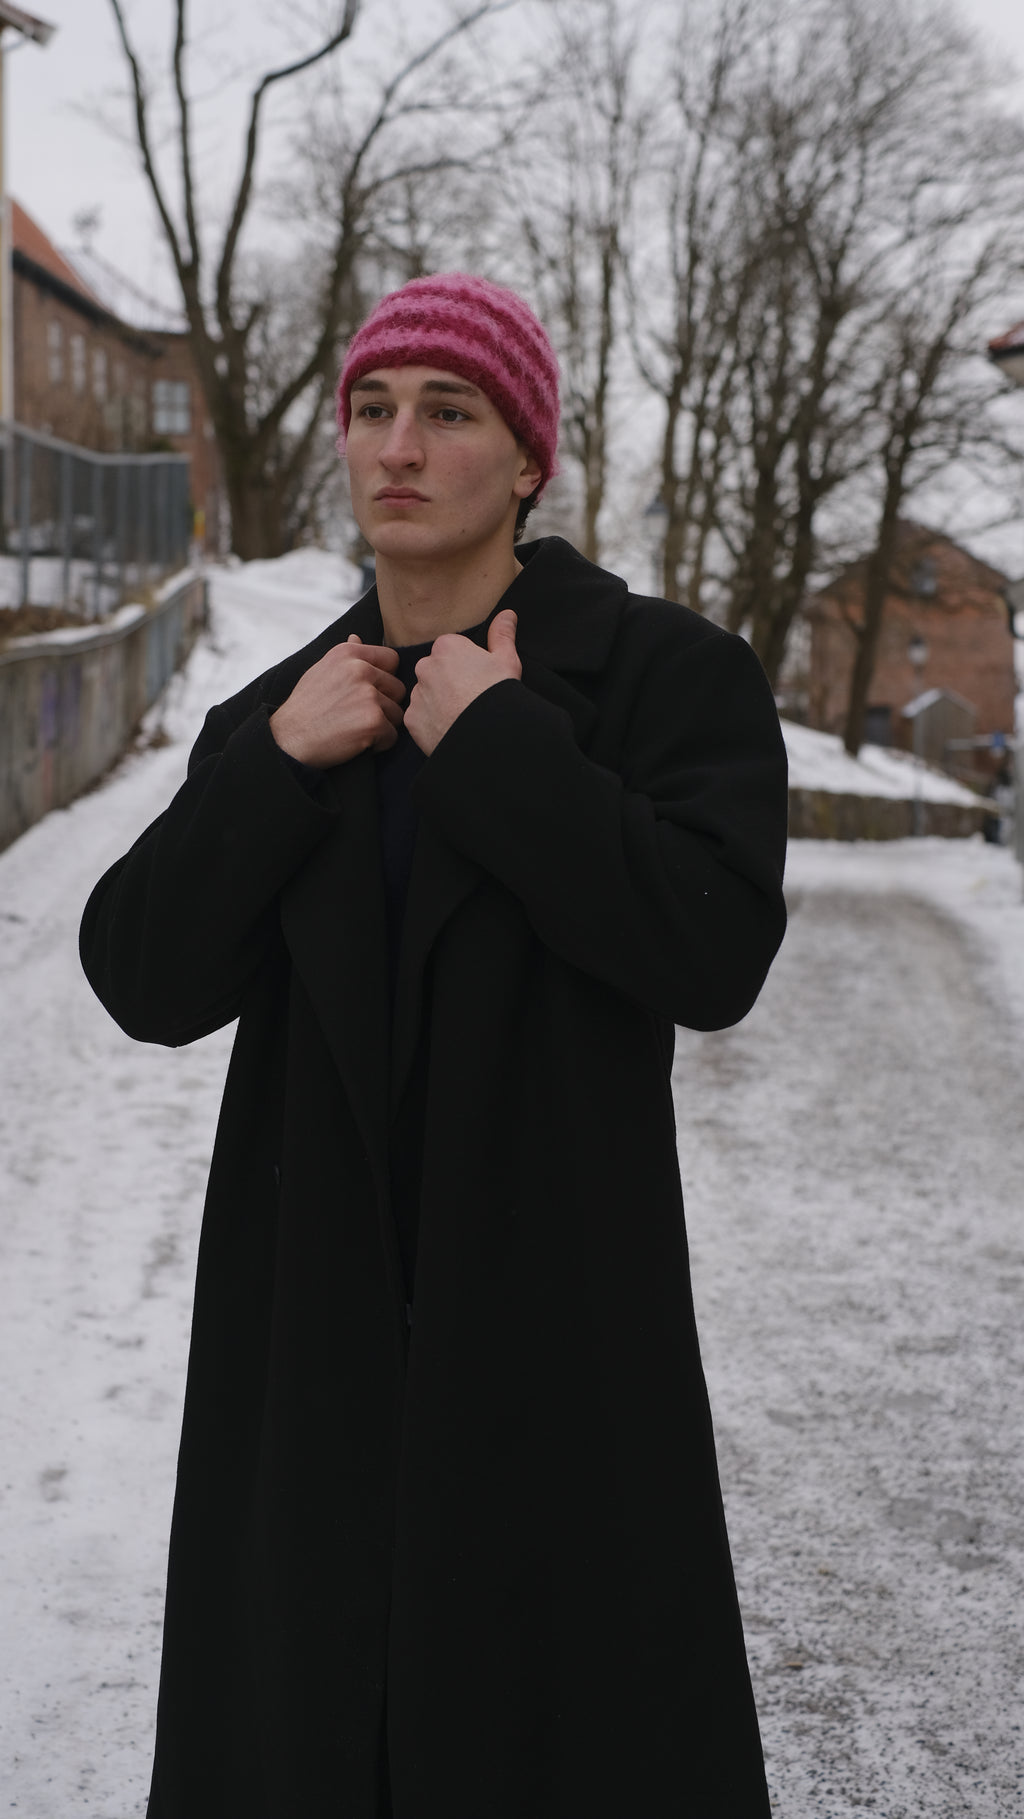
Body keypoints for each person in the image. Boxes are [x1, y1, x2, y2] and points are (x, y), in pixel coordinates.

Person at [80, 272, 789, 1819]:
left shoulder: (665, 679)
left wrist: (502, 749)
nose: (398, 445)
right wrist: (269, 769)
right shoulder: (285, 714)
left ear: (528, 459)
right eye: (373, 409)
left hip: (551, 1335)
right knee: (306, 1735)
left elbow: (714, 946)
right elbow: (141, 975)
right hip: (309, 1338)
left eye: (449, 412)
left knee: (555, 1735)